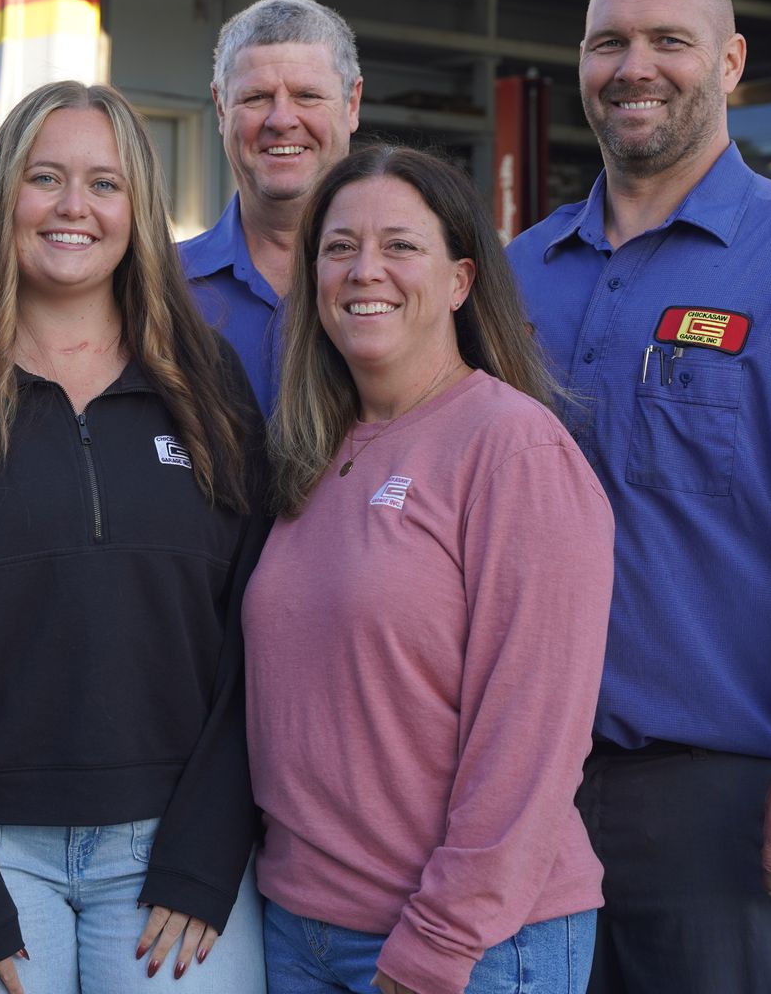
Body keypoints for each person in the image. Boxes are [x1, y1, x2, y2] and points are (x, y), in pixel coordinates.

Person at [504, 0, 771, 993]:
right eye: (610, 42)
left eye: (668, 40)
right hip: (531, 796)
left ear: (729, 62)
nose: (635, 65)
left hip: (734, 801)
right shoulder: (515, 278)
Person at [0, 82, 268, 994]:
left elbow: (257, 633)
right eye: (47, 178)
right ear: (4, 196)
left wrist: (208, 849)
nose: (74, 207)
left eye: (103, 183)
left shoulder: (209, 381)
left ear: (139, 210)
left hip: (170, 854)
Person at [246, 144, 614, 994]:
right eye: (338, 247)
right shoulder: (311, 451)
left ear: (459, 280)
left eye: (400, 245)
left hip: (470, 945)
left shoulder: (512, 448)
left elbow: (533, 737)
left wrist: (440, 945)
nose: (364, 269)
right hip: (299, 925)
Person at [181, 0, 362, 412]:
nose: (281, 120)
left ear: (352, 104)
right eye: (257, 97)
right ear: (221, 108)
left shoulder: (409, 285)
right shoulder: (156, 289)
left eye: (308, 96)